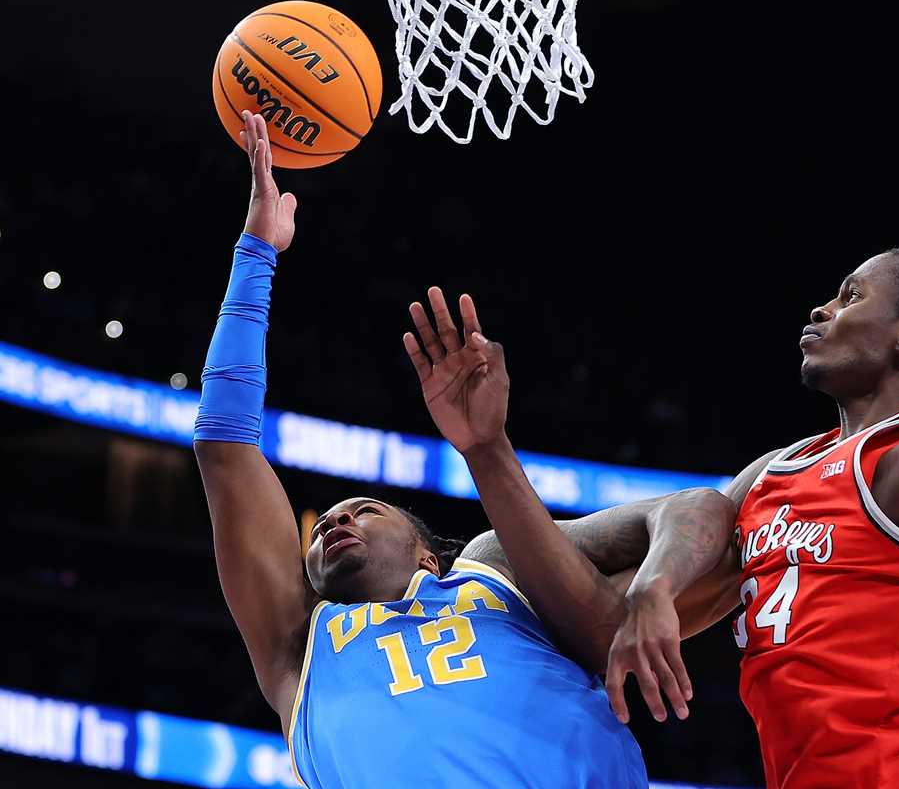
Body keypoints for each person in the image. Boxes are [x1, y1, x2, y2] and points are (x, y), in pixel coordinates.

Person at [194, 112, 734, 789]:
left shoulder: (495, 575)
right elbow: (225, 451)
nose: (336, 521)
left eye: (365, 509)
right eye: (327, 522)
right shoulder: (298, 645)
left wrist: (656, 587)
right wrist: (256, 252)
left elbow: (699, 510)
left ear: (427, 552)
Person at [606, 246, 899, 787]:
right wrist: (493, 454)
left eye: (852, 296)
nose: (821, 309)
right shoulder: (775, 473)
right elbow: (618, 578)